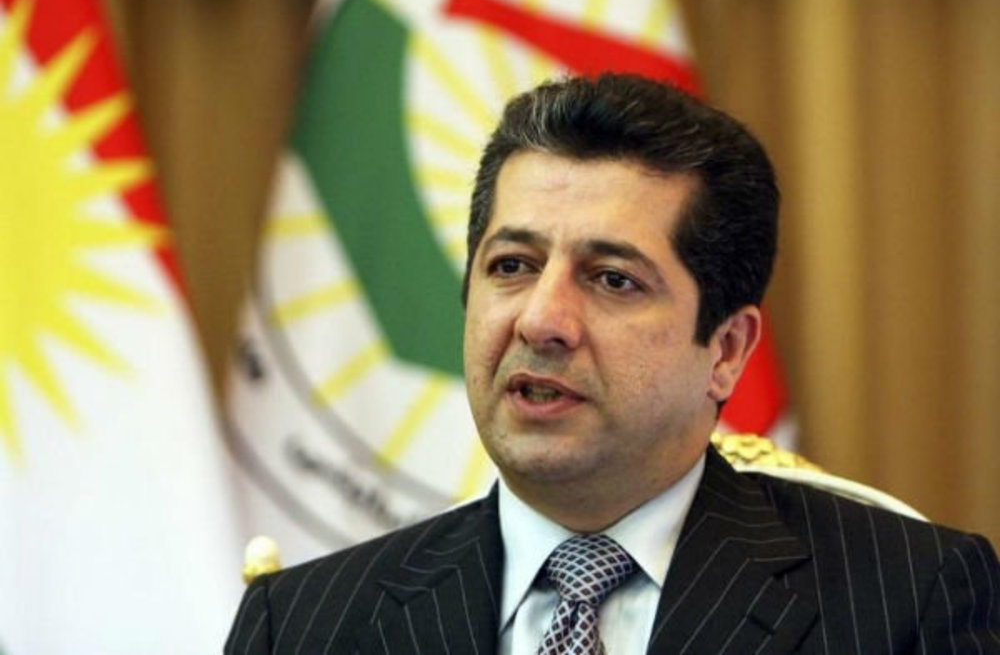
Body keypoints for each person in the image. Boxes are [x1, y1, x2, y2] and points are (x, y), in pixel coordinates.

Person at [225, 74, 1000, 654]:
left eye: (612, 279)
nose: (541, 320)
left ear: (726, 349)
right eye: (512, 265)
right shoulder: (300, 625)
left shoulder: (907, 601)